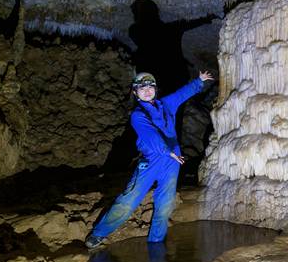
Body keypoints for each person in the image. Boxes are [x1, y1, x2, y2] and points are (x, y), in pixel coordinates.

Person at [85, 70, 214, 249]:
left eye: (150, 87)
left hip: (172, 162)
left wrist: (199, 81)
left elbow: (181, 94)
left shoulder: (166, 105)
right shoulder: (138, 115)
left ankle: (156, 242)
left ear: (155, 89)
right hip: (152, 160)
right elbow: (151, 135)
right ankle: (99, 233)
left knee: (165, 203)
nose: (147, 90)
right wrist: (167, 151)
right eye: (141, 88)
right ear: (135, 92)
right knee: (129, 200)